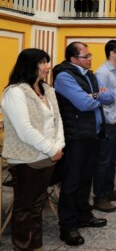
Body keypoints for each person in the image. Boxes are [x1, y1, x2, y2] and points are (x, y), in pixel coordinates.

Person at [2, 49, 65, 251]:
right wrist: (50, 148)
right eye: (43, 62)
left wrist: (58, 146)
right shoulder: (15, 92)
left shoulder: (47, 90)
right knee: (25, 207)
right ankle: (22, 246)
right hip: (27, 157)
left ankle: (35, 245)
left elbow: (58, 120)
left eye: (48, 62)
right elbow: (24, 128)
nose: (48, 67)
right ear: (30, 65)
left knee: (37, 206)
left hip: (49, 155)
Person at [53, 42, 114, 246]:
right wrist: (98, 96)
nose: (90, 59)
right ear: (73, 59)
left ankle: (83, 215)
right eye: (86, 56)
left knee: (86, 179)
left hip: (92, 134)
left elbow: (109, 96)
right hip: (76, 136)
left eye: (90, 55)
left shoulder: (90, 75)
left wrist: (95, 95)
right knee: (71, 182)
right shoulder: (64, 76)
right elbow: (84, 103)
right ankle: (68, 226)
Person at [93, 40, 116, 213]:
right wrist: (110, 119)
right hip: (109, 123)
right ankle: (99, 197)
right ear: (112, 53)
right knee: (104, 161)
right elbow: (101, 99)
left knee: (112, 159)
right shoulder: (102, 73)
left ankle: (109, 190)